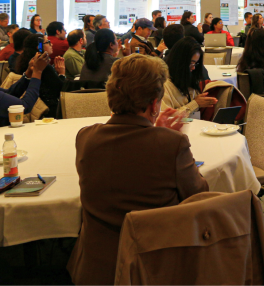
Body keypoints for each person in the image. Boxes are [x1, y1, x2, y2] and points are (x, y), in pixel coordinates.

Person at [67, 54, 208, 285]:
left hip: (96, 269)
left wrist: (156, 130)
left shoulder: (85, 138)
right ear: (155, 104)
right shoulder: (172, 144)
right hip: (153, 268)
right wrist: (166, 136)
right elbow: (199, 196)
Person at [161, 38, 219, 114]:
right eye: (191, 63)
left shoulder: (189, 79)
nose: (193, 67)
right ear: (180, 62)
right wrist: (195, 104)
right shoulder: (163, 85)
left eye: (195, 63)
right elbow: (165, 118)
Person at [15, 34, 66, 116]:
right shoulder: (42, 67)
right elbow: (61, 90)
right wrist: (62, 74)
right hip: (47, 111)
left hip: (34, 108)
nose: (51, 44)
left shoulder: (26, 62)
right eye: (48, 42)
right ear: (39, 47)